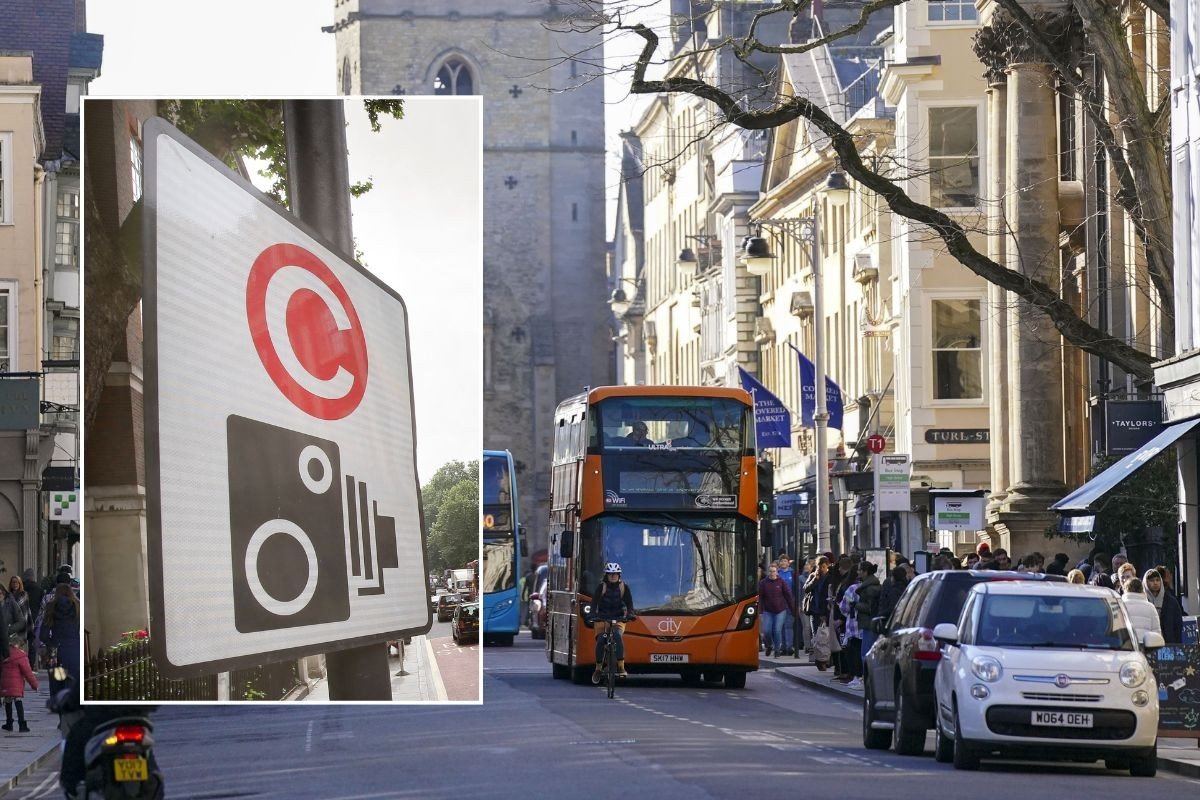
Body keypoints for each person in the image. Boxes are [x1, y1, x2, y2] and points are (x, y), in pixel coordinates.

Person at [589, 563, 635, 680]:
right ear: (607, 575)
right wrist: (592, 614)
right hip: (602, 618)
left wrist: (630, 615)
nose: (613, 576)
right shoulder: (601, 587)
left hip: (618, 618)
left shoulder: (624, 587)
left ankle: (621, 667)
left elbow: (630, 604)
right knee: (601, 640)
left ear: (619, 575)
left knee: (617, 636)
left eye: (615, 574)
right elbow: (594, 603)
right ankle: (598, 668)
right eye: (610, 574)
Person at [41, 584, 80, 683]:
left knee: (57, 686)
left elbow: (43, 635)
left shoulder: (51, 606)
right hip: (74, 650)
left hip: (56, 651)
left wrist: (51, 644)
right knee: (72, 684)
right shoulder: (77, 606)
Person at [758, 564, 795, 658]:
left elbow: (788, 596)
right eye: (770, 571)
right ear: (768, 572)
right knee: (766, 631)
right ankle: (769, 646)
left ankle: (777, 650)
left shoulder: (781, 582)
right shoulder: (763, 583)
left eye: (774, 571)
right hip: (767, 611)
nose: (772, 573)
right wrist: (760, 611)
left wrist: (792, 609)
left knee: (777, 630)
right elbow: (760, 598)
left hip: (780, 610)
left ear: (777, 572)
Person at [0, 640, 36, 732]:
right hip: (16, 684)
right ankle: (22, 725)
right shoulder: (21, 656)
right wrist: (34, 685)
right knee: (18, 701)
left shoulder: (4, 653)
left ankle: (9, 724)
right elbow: (28, 673)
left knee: (8, 701)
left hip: (5, 684)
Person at [1143, 568, 1185, 643]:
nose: (1155, 583)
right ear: (1146, 583)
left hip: (1169, 642)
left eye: (1157, 580)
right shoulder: (1143, 601)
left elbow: (1178, 624)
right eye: (1152, 580)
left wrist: (1177, 643)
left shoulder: (1171, 601)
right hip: (1148, 643)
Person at [775, 554, 796, 656]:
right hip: (779, 603)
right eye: (781, 561)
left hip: (789, 603)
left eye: (785, 561)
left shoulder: (793, 573)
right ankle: (783, 647)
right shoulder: (777, 574)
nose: (783, 563)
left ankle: (789, 646)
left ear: (788, 562)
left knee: (788, 626)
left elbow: (796, 589)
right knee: (781, 626)